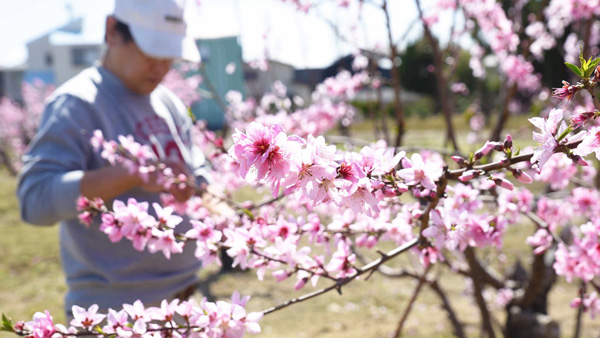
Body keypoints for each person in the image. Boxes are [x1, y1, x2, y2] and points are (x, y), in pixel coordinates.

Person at [17, 0, 208, 319]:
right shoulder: (77, 104)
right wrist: (128, 173)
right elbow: (35, 200)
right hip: (115, 312)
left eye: (169, 55)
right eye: (151, 52)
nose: (161, 68)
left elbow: (200, 171)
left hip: (186, 301)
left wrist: (197, 184)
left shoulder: (168, 103)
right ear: (112, 32)